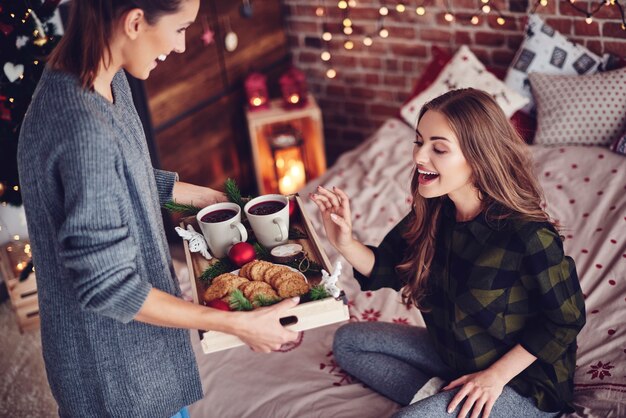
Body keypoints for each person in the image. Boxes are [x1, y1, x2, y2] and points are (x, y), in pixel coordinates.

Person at [17, 1, 300, 417]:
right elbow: (107, 285)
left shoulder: (103, 78)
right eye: (181, 28)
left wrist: (205, 198)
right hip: (115, 372)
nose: (182, 45)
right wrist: (235, 323)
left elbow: (122, 175)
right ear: (134, 22)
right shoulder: (81, 130)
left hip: (139, 351)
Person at [310, 88, 586, 418]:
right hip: (455, 355)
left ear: (478, 157)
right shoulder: (435, 210)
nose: (419, 157)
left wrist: (493, 378)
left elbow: (565, 320)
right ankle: (445, 397)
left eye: (438, 148)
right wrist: (344, 241)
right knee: (348, 342)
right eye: (418, 141)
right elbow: (389, 267)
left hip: (523, 384)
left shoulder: (528, 235)